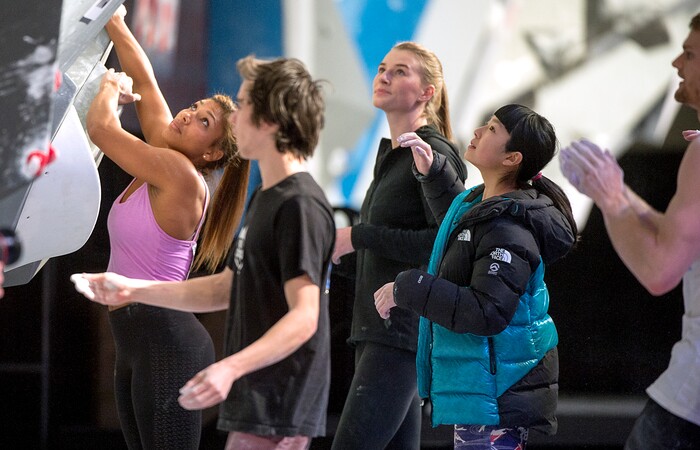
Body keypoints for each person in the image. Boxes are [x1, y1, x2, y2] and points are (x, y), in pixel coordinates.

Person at [73, 54, 334, 450]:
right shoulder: (267, 197)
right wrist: (131, 289)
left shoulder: (299, 203)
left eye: (243, 106)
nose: (234, 116)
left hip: (280, 403)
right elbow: (224, 289)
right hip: (251, 397)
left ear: (270, 121)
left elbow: (305, 317)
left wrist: (230, 368)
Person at [85, 7, 249, 449]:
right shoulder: (167, 154)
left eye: (203, 122)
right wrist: (115, 22)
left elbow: (101, 127)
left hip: (166, 340)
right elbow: (147, 81)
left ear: (212, 155)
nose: (187, 114)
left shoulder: (179, 174)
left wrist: (108, 85)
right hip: (136, 337)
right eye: (195, 107)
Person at [374, 104, 578, 449]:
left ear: (512, 158)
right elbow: (463, 236)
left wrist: (406, 287)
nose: (480, 130)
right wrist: (434, 173)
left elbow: (486, 311)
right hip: (484, 389)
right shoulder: (478, 205)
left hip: (498, 394)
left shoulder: (510, 228)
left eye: (494, 129)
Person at [559, 12, 700, 449]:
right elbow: (684, 244)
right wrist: (616, 189)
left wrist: (611, 200)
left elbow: (660, 269)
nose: (677, 63)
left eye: (691, 54)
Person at [330, 42, 467, 449]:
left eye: (400, 71)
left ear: (427, 92)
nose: (384, 76)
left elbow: (444, 244)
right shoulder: (394, 154)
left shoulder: (434, 155)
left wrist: (358, 235)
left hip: (402, 331)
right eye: (382, 67)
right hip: (380, 330)